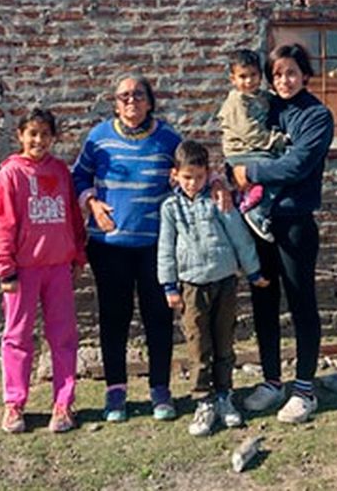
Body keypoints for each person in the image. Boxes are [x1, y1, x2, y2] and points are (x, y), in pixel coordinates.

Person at [72, 72, 226, 423]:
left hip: (156, 247)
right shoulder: (98, 138)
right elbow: (78, 176)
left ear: (150, 100)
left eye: (138, 95)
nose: (131, 101)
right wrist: (92, 203)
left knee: (158, 317)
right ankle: (115, 392)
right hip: (108, 246)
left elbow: (194, 167)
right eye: (124, 96)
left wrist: (217, 182)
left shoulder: (167, 138)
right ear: (115, 102)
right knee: (114, 318)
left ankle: (160, 389)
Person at [231, 43, 335, 424]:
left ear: (304, 75)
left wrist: (250, 173)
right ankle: (272, 381)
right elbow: (239, 145)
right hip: (258, 221)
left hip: (294, 223)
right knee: (263, 299)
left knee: (301, 301)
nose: (284, 80)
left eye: (291, 72)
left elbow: (297, 165)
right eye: (276, 74)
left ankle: (304, 387)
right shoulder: (265, 109)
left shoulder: (316, 116)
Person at [157, 139, 269, 436]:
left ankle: (224, 395)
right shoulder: (170, 208)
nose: (193, 183)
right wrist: (169, 285)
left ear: (209, 174)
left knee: (224, 339)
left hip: (224, 281)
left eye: (199, 176)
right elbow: (165, 247)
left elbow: (239, 237)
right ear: (175, 175)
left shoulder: (219, 201)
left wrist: (253, 269)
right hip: (192, 285)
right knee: (197, 343)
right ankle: (203, 399)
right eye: (186, 177)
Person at [0, 107, 87, 434]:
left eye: (45, 134)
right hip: (23, 271)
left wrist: (77, 256)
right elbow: (0, 224)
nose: (38, 140)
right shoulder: (11, 175)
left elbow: (72, 215)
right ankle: (14, 405)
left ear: (53, 137)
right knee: (17, 336)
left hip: (57, 267)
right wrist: (5, 269)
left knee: (63, 337)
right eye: (32, 134)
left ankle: (63, 403)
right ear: (20, 136)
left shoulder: (60, 171)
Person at [216, 49, 288, 242]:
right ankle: (257, 211)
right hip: (241, 153)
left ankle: (254, 194)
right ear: (233, 79)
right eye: (243, 77)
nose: (249, 81)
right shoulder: (236, 102)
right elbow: (250, 132)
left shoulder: (261, 96)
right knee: (277, 170)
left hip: (255, 152)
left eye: (253, 75)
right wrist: (277, 141)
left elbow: (275, 101)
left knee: (277, 168)